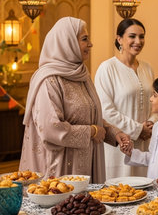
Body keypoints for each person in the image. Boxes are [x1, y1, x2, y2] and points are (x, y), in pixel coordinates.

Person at [19, 17, 131, 184]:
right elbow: (50, 128)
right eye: (84, 39)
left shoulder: (81, 76)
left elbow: (88, 116)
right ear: (67, 43)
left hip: (86, 166)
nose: (90, 44)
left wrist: (114, 133)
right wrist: (91, 132)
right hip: (59, 171)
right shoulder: (49, 80)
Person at [95, 18, 158, 179]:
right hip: (119, 143)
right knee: (120, 192)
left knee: (145, 192)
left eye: (141, 36)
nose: (138, 41)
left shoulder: (147, 67)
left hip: (145, 143)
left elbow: (156, 101)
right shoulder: (107, 68)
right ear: (119, 39)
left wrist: (151, 124)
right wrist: (138, 129)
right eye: (132, 36)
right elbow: (105, 110)